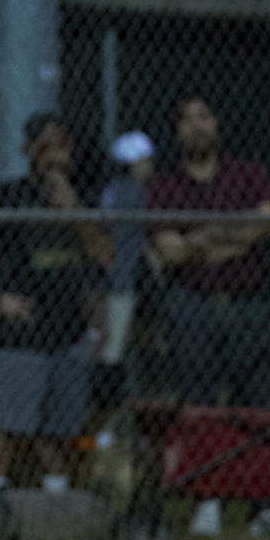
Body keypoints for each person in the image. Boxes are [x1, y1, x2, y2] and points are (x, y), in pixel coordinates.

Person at [0, 112, 113, 497]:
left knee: (60, 430)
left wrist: (74, 212)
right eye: (46, 147)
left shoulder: (85, 199)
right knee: (6, 425)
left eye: (63, 146)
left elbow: (104, 256)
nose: (56, 157)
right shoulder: (6, 196)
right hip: (22, 330)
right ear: (28, 151)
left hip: (70, 329)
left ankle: (55, 500)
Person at [147, 96, 270, 409]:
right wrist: (236, 239)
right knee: (197, 398)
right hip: (192, 299)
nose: (197, 127)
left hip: (244, 298)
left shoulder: (247, 172)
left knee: (256, 396)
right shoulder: (165, 185)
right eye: (187, 120)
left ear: (216, 123)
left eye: (203, 117)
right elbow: (171, 252)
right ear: (176, 131)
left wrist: (201, 238)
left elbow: (266, 222)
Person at [98, 131, 156, 371]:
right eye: (146, 160)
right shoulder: (131, 192)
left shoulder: (115, 190)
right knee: (114, 349)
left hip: (130, 275)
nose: (150, 166)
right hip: (123, 276)